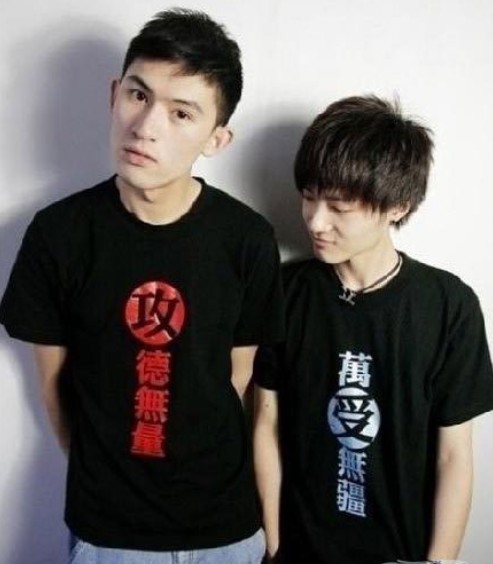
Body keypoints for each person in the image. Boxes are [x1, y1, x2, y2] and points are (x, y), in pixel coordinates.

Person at [0, 9, 284, 564]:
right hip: (108, 533)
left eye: (181, 113)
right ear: (114, 95)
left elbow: (235, 378)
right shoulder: (59, 234)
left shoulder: (247, 238)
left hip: (226, 528)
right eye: (138, 95)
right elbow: (54, 388)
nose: (147, 125)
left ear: (217, 138)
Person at [253, 95, 493, 564]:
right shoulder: (286, 292)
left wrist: (438, 562)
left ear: (397, 207)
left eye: (339, 207)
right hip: (299, 552)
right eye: (309, 197)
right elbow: (266, 422)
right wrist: (275, 545)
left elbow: (454, 455)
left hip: (399, 552)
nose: (316, 221)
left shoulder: (448, 305)